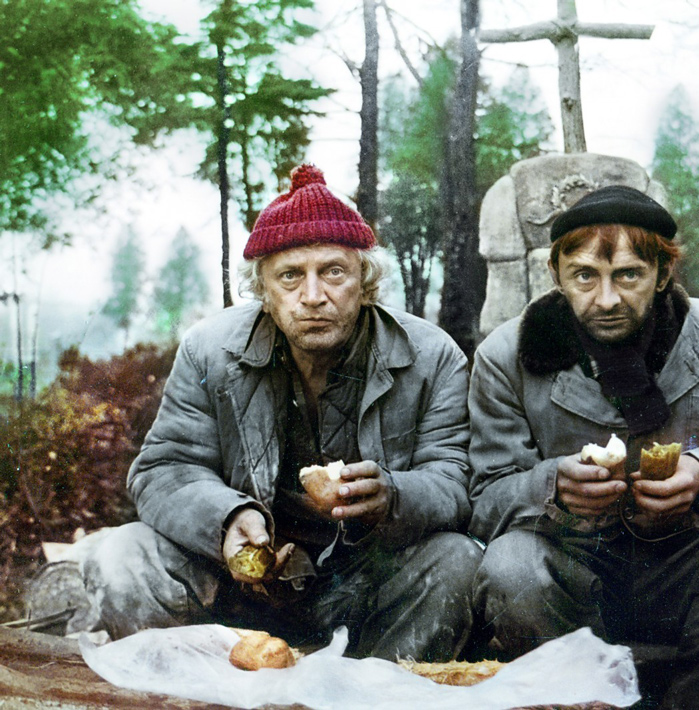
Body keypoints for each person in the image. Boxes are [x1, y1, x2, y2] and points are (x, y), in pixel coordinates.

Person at [79, 164, 480, 661]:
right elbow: (163, 468)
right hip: (236, 583)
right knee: (123, 555)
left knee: (457, 561)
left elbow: (455, 479)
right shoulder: (210, 350)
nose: (313, 296)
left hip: (362, 584)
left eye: (333, 271)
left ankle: (372, 698)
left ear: (365, 281)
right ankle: (196, 697)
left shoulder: (432, 355)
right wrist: (228, 519)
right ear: (264, 293)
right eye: (290, 276)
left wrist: (393, 496)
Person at [468, 185, 699, 708]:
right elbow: (484, 498)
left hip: (690, 569)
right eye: (585, 275)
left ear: (662, 274)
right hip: (575, 572)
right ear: (557, 276)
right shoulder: (506, 354)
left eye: (628, 275)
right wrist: (552, 488)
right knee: (509, 564)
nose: (607, 299)